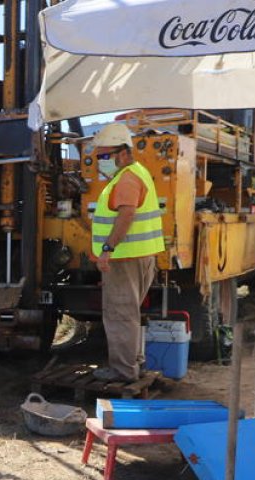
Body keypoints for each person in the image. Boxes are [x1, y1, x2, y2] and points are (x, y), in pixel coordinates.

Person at [89, 123, 166, 383]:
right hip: (141, 257)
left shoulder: (127, 178)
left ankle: (123, 371)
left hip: (124, 259)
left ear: (122, 153)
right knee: (130, 312)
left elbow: (127, 214)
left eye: (104, 156)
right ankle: (135, 363)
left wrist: (107, 249)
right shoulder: (140, 172)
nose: (101, 162)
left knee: (120, 314)